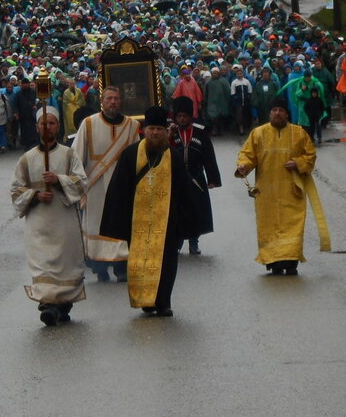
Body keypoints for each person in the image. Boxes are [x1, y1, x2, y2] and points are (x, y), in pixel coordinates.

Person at [101, 106, 209, 316]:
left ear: (165, 131)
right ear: (144, 130)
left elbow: (183, 191)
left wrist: (184, 221)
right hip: (137, 222)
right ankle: (144, 300)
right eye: (151, 129)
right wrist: (119, 220)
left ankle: (163, 301)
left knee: (167, 262)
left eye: (159, 129)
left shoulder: (174, 157)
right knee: (139, 262)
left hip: (166, 221)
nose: (155, 133)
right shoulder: (130, 154)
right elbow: (119, 188)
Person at [11, 107, 87, 326]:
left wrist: (59, 180)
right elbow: (15, 191)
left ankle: (62, 306)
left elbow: (82, 182)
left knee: (65, 265)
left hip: (64, 222)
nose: (47, 128)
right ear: (37, 127)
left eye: (51, 123)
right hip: (39, 225)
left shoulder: (69, 154)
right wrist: (35, 195)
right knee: (43, 266)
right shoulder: (27, 159)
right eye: (43, 124)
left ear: (58, 126)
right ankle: (48, 305)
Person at [235, 102, 330, 275]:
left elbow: (310, 155)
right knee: (269, 227)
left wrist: (298, 163)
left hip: (291, 191)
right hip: (267, 193)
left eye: (280, 111)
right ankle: (273, 262)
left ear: (286, 114)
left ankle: (291, 261)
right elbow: (248, 155)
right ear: (270, 113)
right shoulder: (258, 133)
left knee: (292, 227)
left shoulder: (299, 133)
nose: (277, 113)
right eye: (274, 110)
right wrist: (244, 166)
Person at [72, 85, 139, 283]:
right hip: (96, 187)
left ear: (120, 101)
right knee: (96, 226)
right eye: (109, 98)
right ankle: (99, 268)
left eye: (116, 98)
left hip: (122, 188)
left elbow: (137, 157)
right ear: (102, 101)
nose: (113, 102)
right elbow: (76, 157)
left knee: (121, 227)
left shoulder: (131, 126)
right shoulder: (89, 124)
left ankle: (121, 268)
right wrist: (79, 186)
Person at [171, 95, 220, 255]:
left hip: (196, 178)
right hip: (176, 179)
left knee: (195, 211)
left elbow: (209, 156)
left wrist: (212, 179)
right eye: (179, 116)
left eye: (185, 116)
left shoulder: (200, 132)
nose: (182, 119)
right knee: (177, 212)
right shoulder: (170, 132)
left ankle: (194, 242)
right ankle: (177, 243)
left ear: (190, 117)